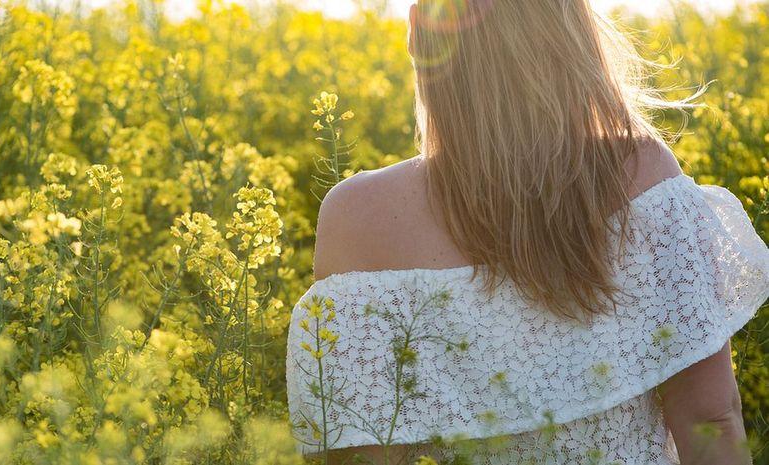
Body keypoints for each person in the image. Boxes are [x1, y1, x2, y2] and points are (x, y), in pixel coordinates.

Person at [286, 1, 769, 464]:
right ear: (571, 31)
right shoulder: (641, 176)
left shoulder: (359, 218)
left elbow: (362, 457)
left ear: (417, 32)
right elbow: (712, 420)